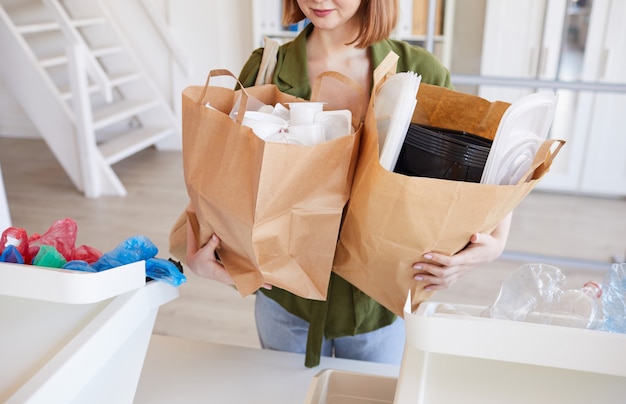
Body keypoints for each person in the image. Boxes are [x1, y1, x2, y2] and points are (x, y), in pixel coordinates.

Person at [186, 0, 512, 367]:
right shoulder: (266, 69)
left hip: (379, 308)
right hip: (285, 301)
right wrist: (201, 248)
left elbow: (471, 179)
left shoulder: (421, 72)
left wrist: (494, 244)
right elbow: (223, 173)